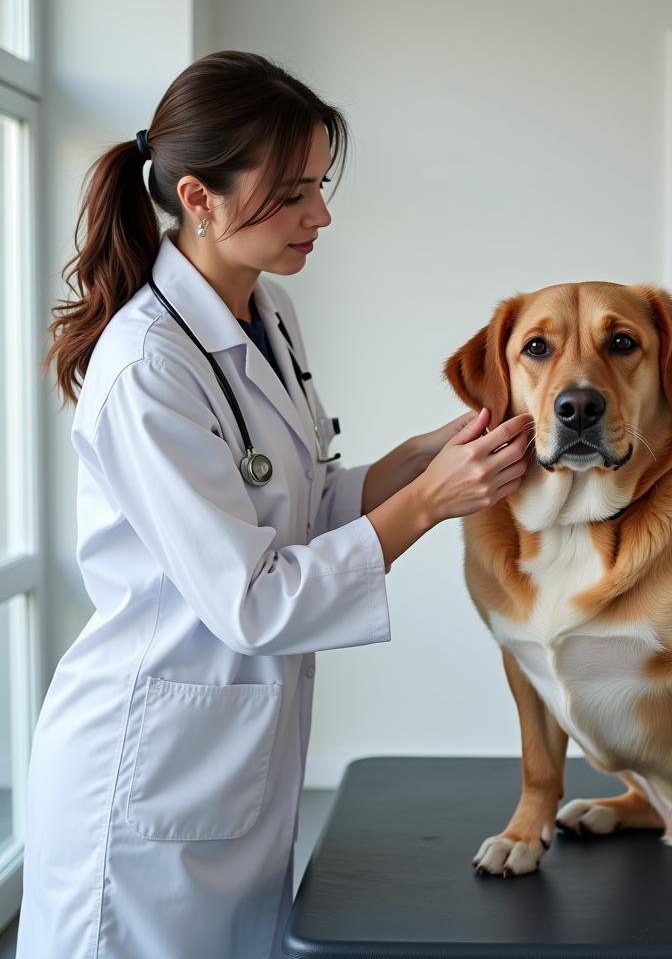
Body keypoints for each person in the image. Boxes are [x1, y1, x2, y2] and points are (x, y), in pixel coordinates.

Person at [18, 50, 532, 959]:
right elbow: (252, 598)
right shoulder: (148, 368)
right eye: (292, 194)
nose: (320, 215)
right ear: (199, 198)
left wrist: (429, 455)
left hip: (231, 762)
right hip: (147, 774)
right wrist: (426, 505)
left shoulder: (269, 312)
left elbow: (295, 500)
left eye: (318, 187)